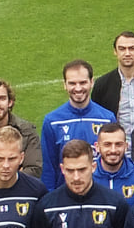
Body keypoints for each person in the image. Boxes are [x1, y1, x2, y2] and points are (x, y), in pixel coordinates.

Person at [41, 59, 114, 190]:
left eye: (83, 82)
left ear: (91, 82)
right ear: (65, 85)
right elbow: (48, 167)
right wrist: (50, 197)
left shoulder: (107, 118)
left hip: (101, 195)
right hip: (65, 197)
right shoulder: (52, 121)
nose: (78, 88)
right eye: (72, 83)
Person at [91, 31, 134, 134]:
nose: (127, 53)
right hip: (115, 145)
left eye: (132, 48)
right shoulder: (103, 84)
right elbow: (95, 117)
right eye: (122, 49)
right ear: (115, 51)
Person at [92, 122, 134, 204]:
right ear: (97, 147)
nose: (113, 150)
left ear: (126, 146)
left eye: (118, 144)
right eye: (107, 144)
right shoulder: (87, 175)